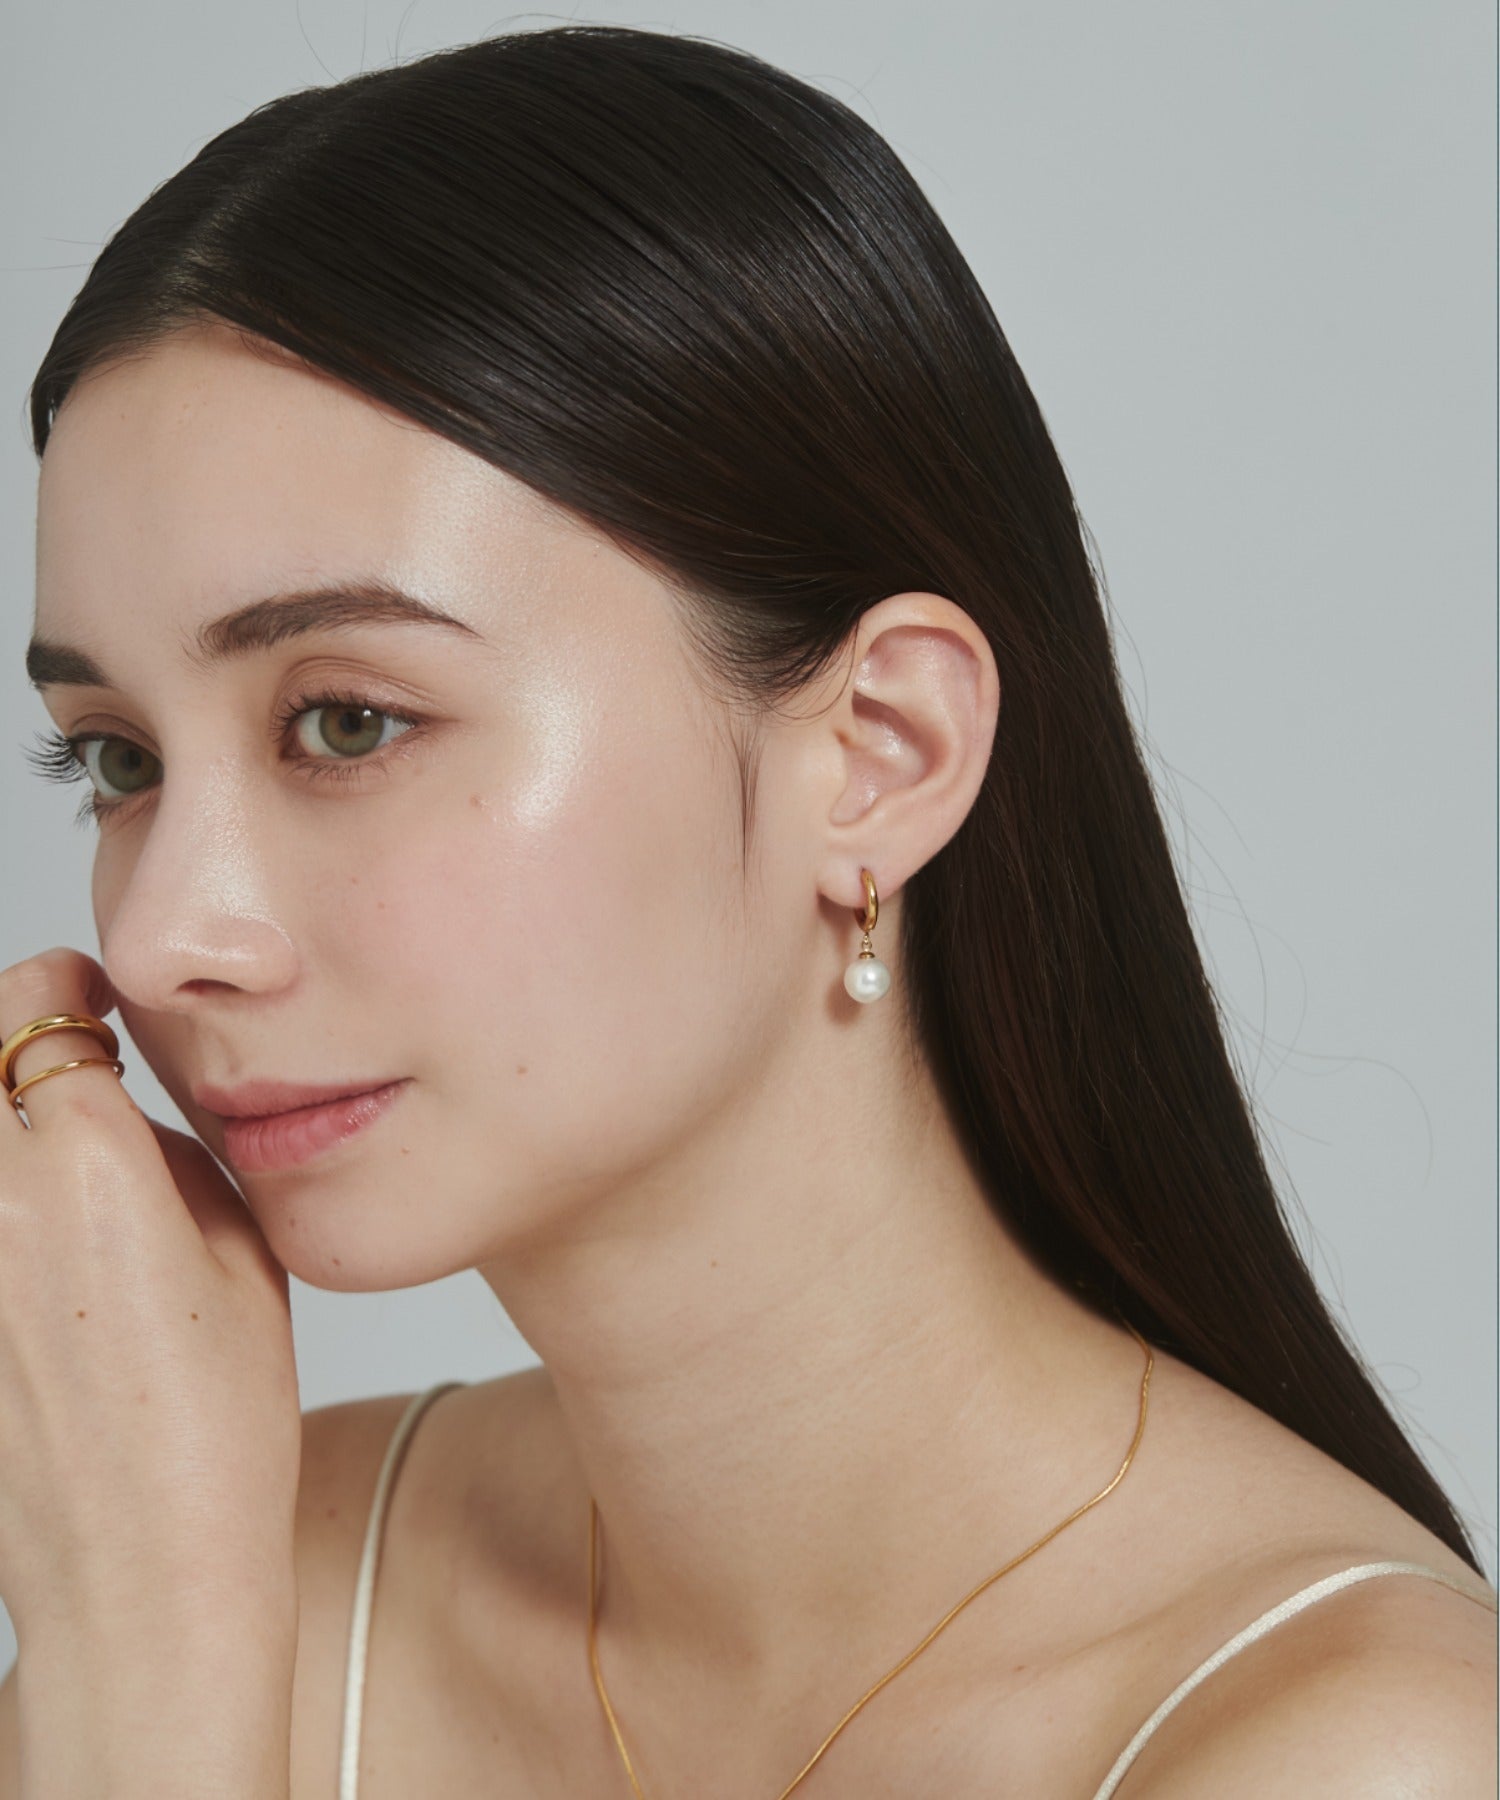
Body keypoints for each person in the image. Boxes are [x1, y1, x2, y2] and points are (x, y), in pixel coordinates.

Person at [0, 23, 1493, 1799]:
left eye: (347, 723)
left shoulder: (1356, 1751)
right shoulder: (236, 1561)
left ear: (877, 754)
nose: (163, 937)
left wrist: (147, 1684)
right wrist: (150, 1625)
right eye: (116, 760)